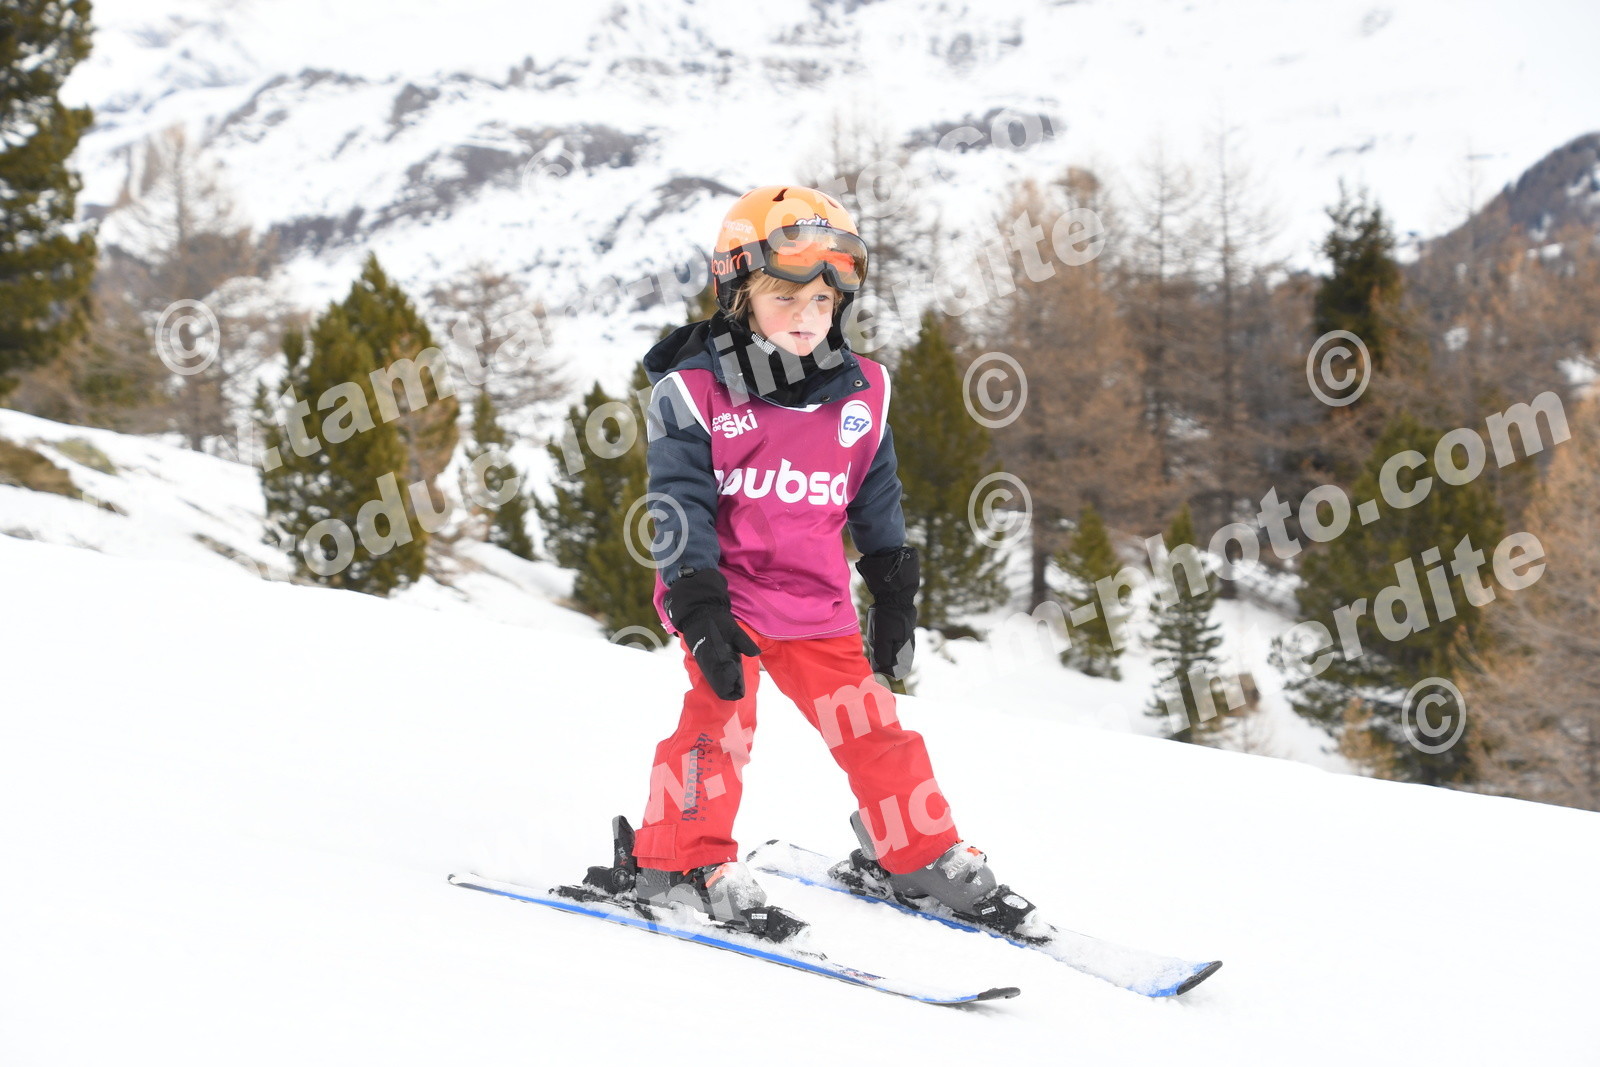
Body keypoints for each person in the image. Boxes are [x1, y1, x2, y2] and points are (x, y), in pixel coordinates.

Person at [589, 186, 1034, 942]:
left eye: (824, 300)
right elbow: (678, 503)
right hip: (726, 603)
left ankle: (918, 856)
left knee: (876, 731)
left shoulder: (864, 392)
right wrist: (698, 604)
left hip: (817, 606)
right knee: (718, 726)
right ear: (739, 296)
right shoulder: (692, 394)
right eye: (785, 296)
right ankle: (678, 861)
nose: (807, 315)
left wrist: (893, 590)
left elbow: (875, 495)